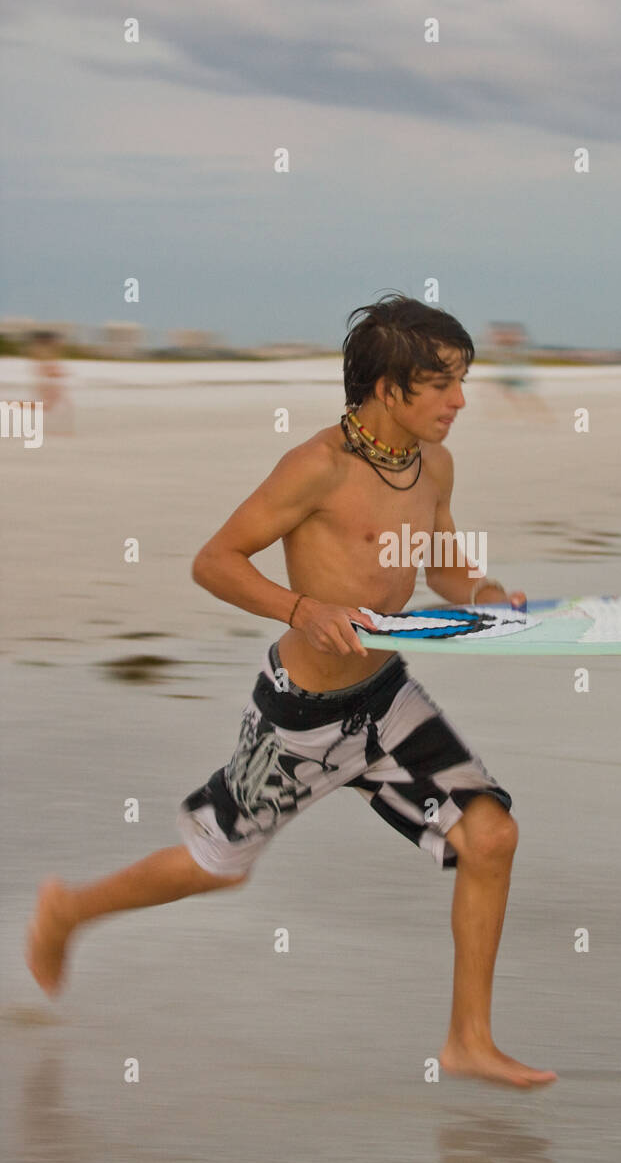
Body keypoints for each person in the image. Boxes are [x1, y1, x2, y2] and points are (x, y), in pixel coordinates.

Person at [27, 292, 557, 1089]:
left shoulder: (433, 465)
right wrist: (301, 609)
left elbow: (440, 566)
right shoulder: (316, 467)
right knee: (216, 866)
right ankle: (69, 909)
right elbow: (215, 560)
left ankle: (468, 1040)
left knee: (491, 835)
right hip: (300, 720)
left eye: (462, 380)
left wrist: (481, 590)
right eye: (442, 383)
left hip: (385, 699)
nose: (460, 400)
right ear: (388, 389)